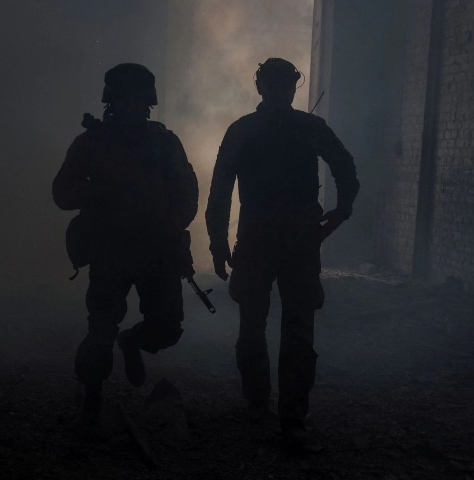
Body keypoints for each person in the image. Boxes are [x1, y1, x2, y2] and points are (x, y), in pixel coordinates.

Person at [205, 58, 359, 451]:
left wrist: (219, 244)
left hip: (263, 240)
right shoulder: (307, 128)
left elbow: (221, 190)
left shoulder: (245, 130)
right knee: (290, 329)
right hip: (293, 242)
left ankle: (266, 408)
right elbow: (345, 167)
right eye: (281, 85)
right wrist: (341, 211)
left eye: (283, 86)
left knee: (261, 328)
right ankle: (286, 417)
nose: (281, 92)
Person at [52, 63, 198, 430]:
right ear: (111, 102)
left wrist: (173, 221)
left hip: (156, 250)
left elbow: (187, 193)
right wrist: (97, 192)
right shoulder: (90, 144)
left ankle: (131, 342)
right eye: (125, 100)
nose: (133, 108)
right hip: (110, 249)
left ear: (148, 104)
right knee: (99, 330)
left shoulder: (164, 142)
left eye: (139, 102)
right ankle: (92, 398)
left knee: (167, 328)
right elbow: (62, 193)